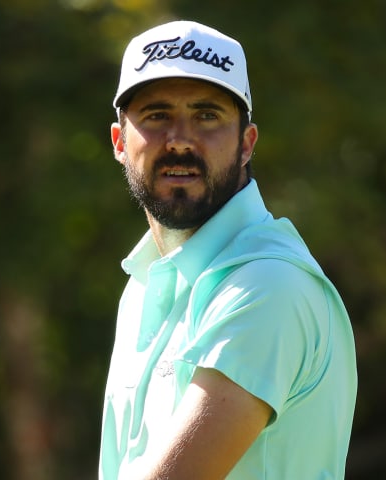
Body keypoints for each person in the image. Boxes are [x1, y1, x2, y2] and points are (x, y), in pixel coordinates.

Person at [99, 20, 357, 480]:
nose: (179, 138)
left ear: (246, 144)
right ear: (120, 143)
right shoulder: (142, 288)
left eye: (207, 116)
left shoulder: (268, 286)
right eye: (157, 115)